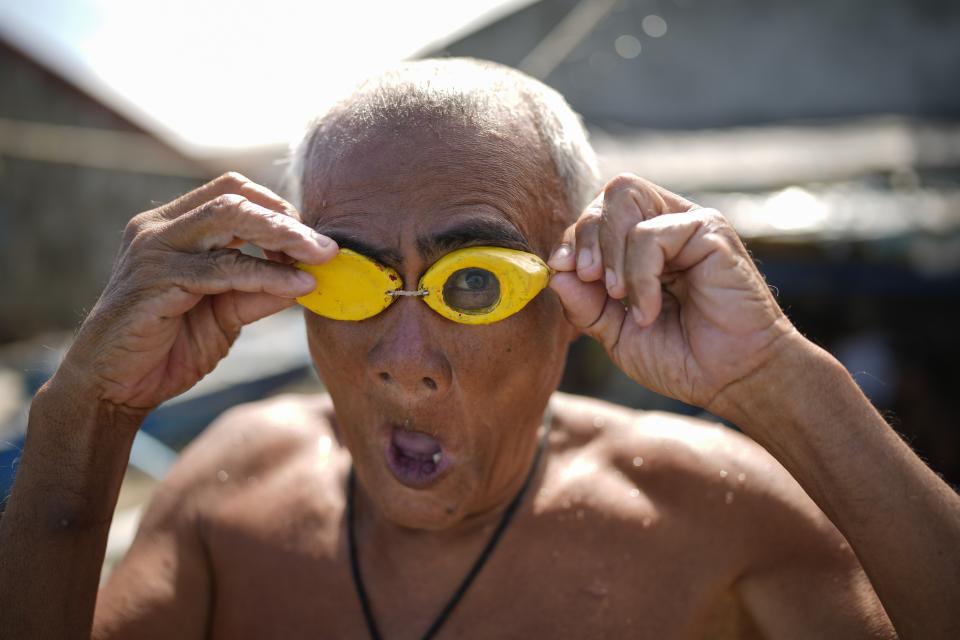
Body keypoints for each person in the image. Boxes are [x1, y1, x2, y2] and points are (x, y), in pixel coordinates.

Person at [0, 58, 957, 640]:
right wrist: (84, 417)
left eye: (474, 284)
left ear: (575, 284)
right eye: (354, 283)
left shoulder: (710, 515)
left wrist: (778, 377)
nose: (403, 355)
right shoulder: (232, 496)